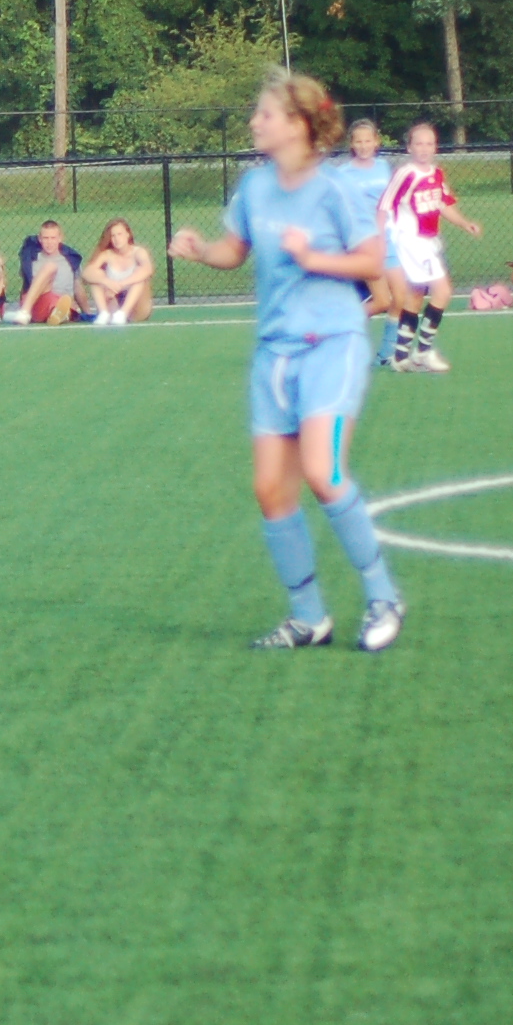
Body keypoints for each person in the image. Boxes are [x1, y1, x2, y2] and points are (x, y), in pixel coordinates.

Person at [168, 68, 405, 653]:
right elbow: (235, 250)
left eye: (265, 114)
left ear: (298, 124)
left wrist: (314, 258)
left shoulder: (335, 190)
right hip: (274, 353)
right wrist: (200, 250)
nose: (254, 122)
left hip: (332, 346)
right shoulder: (254, 186)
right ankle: (308, 617)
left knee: (324, 474)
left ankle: (383, 597)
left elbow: (372, 261)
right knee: (271, 489)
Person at [380, 120, 484, 365]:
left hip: (428, 241)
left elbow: (443, 204)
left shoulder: (436, 173)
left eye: (429, 144)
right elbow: (384, 206)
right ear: (409, 147)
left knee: (416, 294)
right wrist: (379, 241)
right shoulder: (406, 174)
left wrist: (464, 223)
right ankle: (423, 352)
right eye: (419, 144)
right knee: (443, 291)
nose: (424, 149)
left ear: (436, 147)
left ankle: (401, 356)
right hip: (412, 241)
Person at [330, 116, 400, 362]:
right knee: (381, 301)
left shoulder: (384, 168)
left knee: (398, 299)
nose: (363, 146)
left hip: (388, 240)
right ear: (351, 144)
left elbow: (393, 201)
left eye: (367, 141)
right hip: (364, 244)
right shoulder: (343, 173)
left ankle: (387, 352)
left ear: (376, 142)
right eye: (358, 141)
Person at [83, 219, 157, 326]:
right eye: (113, 236)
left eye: (120, 234)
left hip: (137, 306)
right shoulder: (107, 254)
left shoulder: (138, 252)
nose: (117, 239)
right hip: (114, 302)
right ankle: (104, 314)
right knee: (96, 275)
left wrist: (120, 285)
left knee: (139, 275)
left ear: (128, 234)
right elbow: (87, 273)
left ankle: (123, 313)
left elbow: (148, 269)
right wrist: (106, 282)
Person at [19, 220, 86, 324]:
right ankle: (25, 311)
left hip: (63, 302)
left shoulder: (70, 260)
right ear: (40, 239)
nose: (49, 242)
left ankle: (59, 314)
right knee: (50, 267)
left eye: (53, 238)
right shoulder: (32, 259)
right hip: (39, 303)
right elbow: (25, 286)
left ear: (60, 238)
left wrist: (87, 312)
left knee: (65, 303)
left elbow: (78, 288)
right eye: (46, 238)